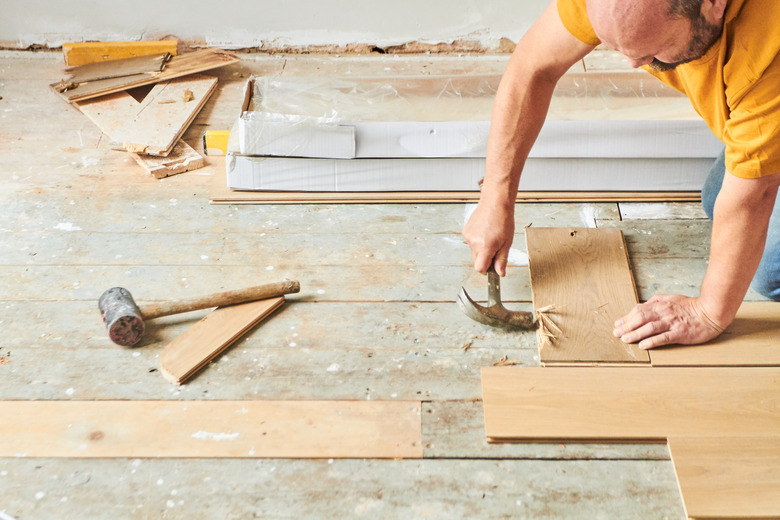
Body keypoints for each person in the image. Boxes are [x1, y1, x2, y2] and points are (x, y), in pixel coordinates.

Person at [462, 0, 779, 349]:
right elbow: (533, 66)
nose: (634, 62)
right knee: (718, 195)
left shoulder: (768, 52)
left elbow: (755, 197)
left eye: (654, 49)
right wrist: (495, 196)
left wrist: (708, 312)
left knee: (769, 269)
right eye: (618, 47)